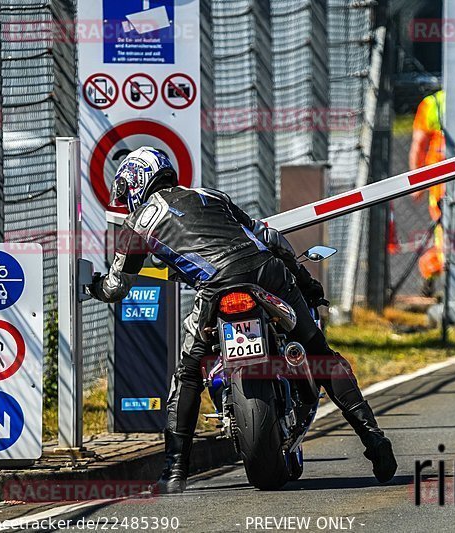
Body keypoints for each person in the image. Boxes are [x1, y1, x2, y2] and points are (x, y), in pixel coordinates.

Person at [87, 147, 397, 494]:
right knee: (318, 351)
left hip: (216, 287)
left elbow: (116, 287)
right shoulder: (209, 195)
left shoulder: (136, 225)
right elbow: (269, 237)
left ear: (136, 183)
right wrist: (306, 283)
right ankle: (375, 442)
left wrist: (93, 286)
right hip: (267, 272)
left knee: (188, 375)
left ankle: (174, 472)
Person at [409, 86, 447, 296]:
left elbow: (418, 145)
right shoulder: (433, 104)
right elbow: (419, 144)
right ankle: (431, 269)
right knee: (445, 234)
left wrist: (417, 181)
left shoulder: (433, 103)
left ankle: (431, 269)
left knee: (450, 235)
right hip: (441, 184)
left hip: (442, 182)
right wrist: (418, 181)